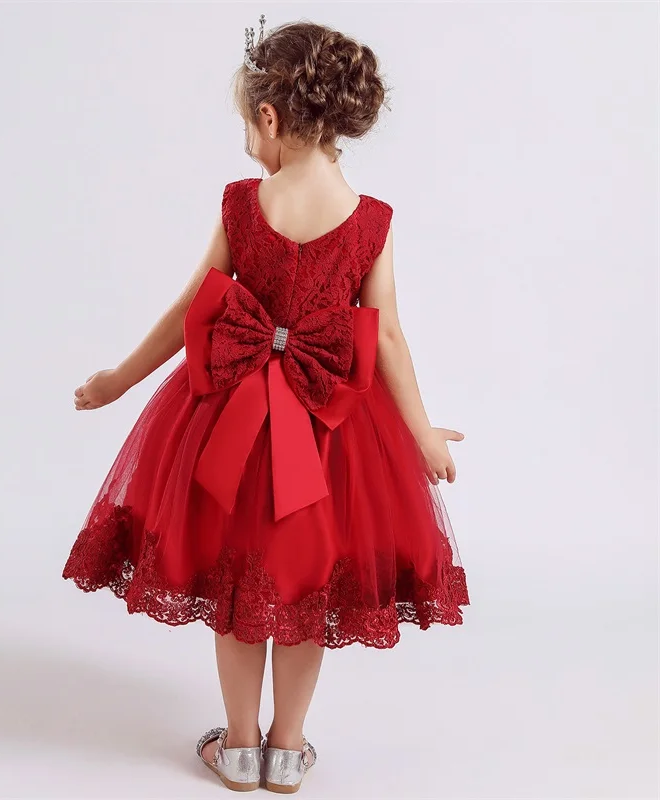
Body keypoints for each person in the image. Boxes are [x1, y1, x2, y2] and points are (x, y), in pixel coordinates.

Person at [63, 16, 469, 794]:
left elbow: (193, 312)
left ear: (271, 118)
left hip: (234, 429)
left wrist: (120, 379)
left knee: (237, 585)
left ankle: (238, 747)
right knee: (305, 592)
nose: (249, 143)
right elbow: (387, 338)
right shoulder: (372, 222)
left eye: (248, 126)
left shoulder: (245, 205)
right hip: (330, 440)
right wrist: (421, 434)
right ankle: (287, 750)